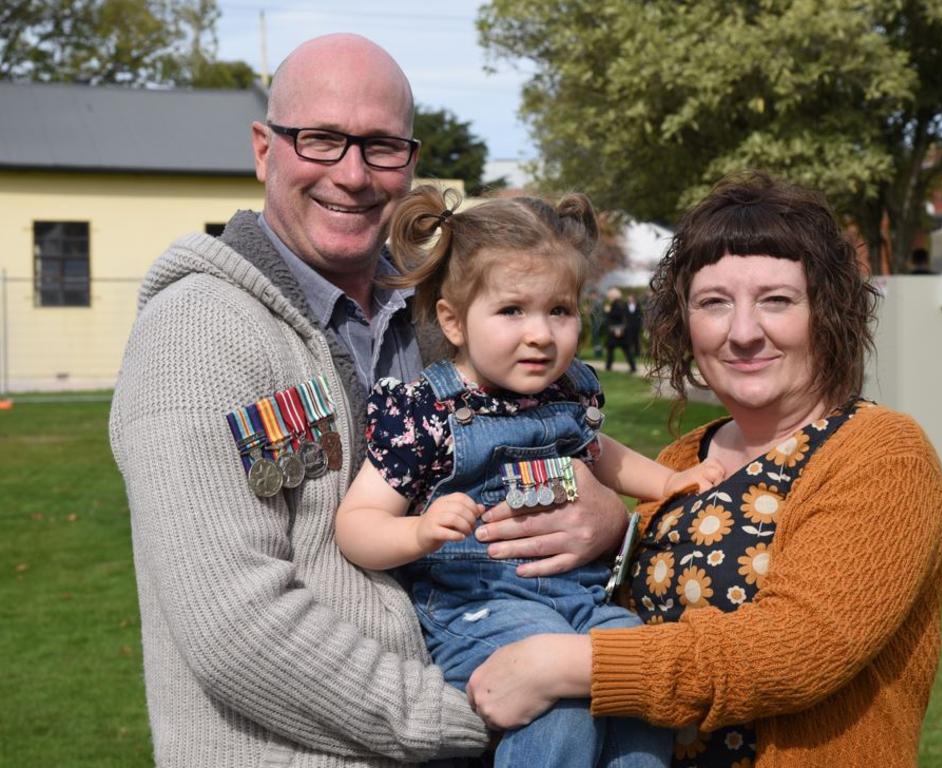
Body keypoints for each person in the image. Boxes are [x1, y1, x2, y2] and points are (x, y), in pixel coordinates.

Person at [109, 33, 630, 768]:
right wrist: (466, 713)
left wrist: (606, 517)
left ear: (410, 165)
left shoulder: (441, 318)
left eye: (381, 146)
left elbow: (521, 455)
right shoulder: (198, 334)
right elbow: (236, 627)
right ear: (265, 149)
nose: (352, 174)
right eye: (321, 139)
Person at [465, 172, 942, 767]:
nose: (743, 332)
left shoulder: (882, 453)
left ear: (828, 310)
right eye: (714, 303)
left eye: (776, 300)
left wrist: (567, 664)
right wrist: (613, 532)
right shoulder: (680, 460)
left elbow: (796, 648)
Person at [335, 185, 725, 768]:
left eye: (559, 311)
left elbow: (600, 453)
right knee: (560, 703)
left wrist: (668, 483)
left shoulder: (568, 393)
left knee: (639, 682)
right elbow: (355, 525)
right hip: (480, 608)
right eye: (512, 310)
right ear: (455, 320)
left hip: (582, 598)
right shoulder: (428, 411)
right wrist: (418, 534)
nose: (540, 333)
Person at [603, 287, 636, 372]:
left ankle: (609, 367)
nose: (608, 297)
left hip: (618, 331)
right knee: (618, 349)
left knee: (621, 349)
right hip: (618, 331)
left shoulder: (617, 304)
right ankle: (609, 367)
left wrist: (608, 311)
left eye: (610, 296)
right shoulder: (619, 304)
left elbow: (618, 316)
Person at [624, 292, 645, 361]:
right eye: (629, 298)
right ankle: (630, 353)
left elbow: (640, 315)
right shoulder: (625, 305)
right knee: (629, 340)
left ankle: (637, 353)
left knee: (637, 339)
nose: (630, 299)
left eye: (631, 298)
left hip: (636, 325)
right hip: (629, 326)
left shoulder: (638, 305)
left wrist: (640, 324)